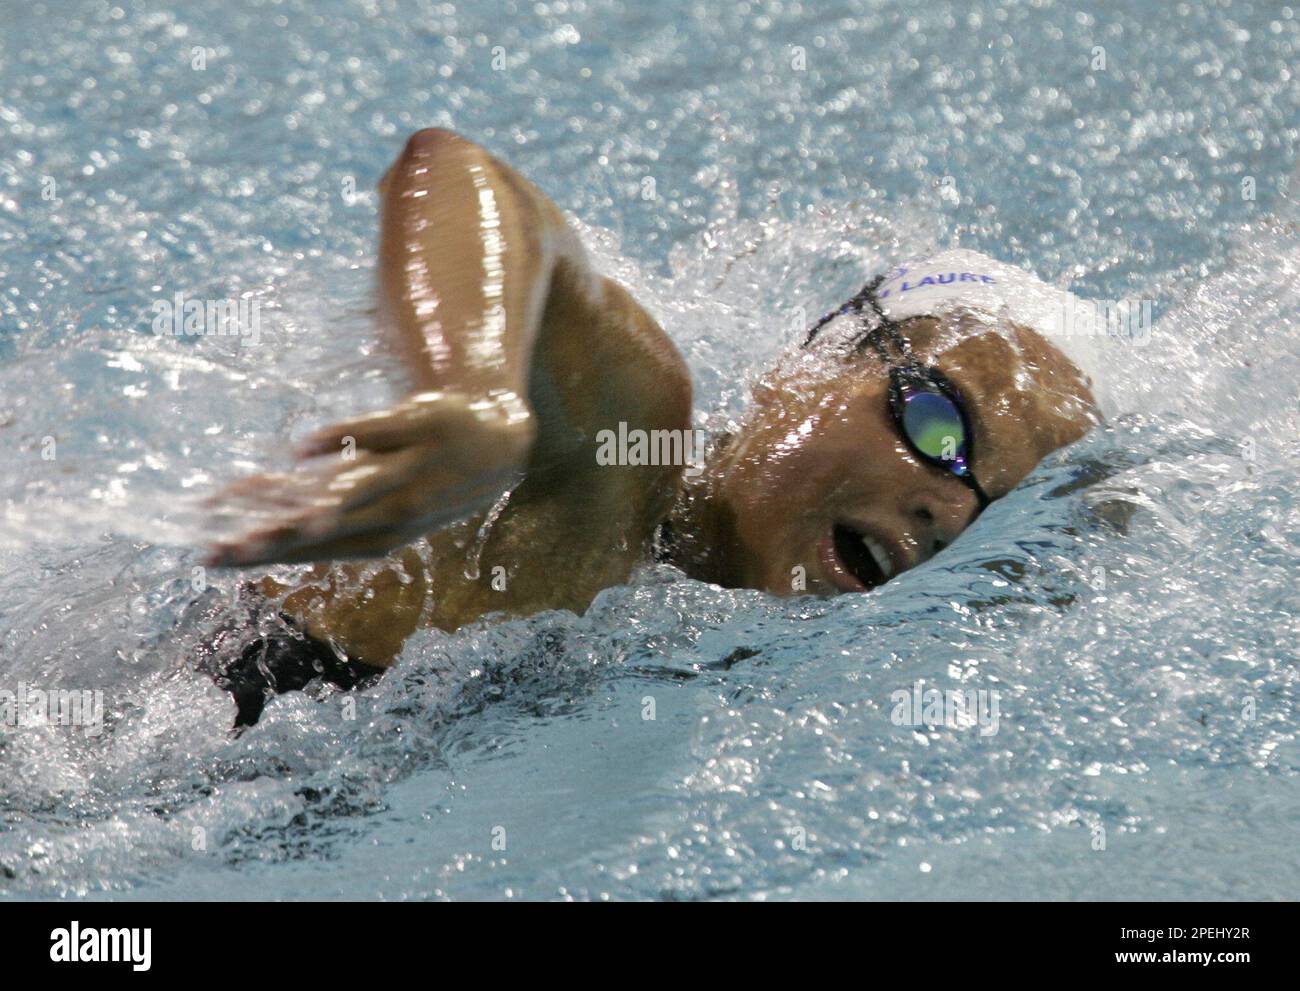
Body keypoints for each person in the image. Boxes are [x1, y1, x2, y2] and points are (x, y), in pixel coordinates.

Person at [201, 128, 1101, 725]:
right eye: (943, 428)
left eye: (993, 514)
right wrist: (475, 392)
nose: (948, 507)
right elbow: (458, 173)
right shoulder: (619, 451)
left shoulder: (739, 664)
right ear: (805, 370)